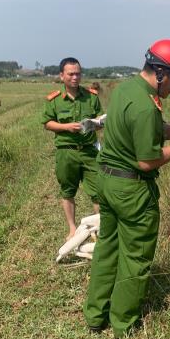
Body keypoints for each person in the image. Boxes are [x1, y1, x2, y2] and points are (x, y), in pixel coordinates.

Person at [83, 39, 170, 338]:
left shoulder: (128, 89)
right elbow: (148, 161)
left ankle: (94, 315)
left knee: (107, 248)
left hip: (107, 182)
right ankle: (123, 324)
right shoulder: (146, 105)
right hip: (132, 191)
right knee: (135, 258)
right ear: (162, 72)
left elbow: (150, 129)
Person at [42, 57, 102, 241]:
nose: (75, 77)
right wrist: (67, 127)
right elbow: (47, 123)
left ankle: (101, 229)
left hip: (89, 151)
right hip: (66, 152)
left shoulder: (91, 97)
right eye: (71, 74)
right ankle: (72, 229)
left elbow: (100, 120)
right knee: (67, 190)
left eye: (78, 73)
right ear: (62, 76)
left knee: (99, 191)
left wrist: (95, 124)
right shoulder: (54, 100)